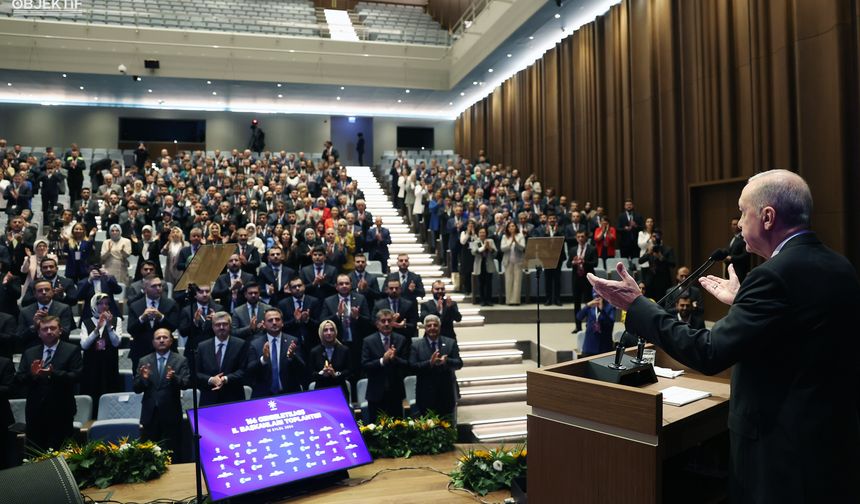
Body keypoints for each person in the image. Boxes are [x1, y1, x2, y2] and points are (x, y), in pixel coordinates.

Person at [588, 169, 860, 502]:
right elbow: (796, 335)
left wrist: (638, 306)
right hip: (831, 444)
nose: (739, 223)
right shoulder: (839, 265)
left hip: (782, 457)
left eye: (743, 212)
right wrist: (744, 301)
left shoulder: (772, 277)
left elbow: (709, 352)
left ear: (768, 217)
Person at [15, 315, 82, 451]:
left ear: (60, 330)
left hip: (62, 410)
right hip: (35, 412)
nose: (49, 331)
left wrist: (53, 373)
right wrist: (32, 375)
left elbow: (77, 376)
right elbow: (19, 380)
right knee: (36, 454)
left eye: (53, 328)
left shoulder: (72, 350)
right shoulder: (29, 353)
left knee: (62, 454)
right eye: (45, 329)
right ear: (39, 333)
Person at [133, 328, 190, 456]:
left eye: (165, 337)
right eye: (158, 338)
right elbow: (136, 388)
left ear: (171, 341)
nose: (162, 340)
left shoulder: (181, 360)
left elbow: (186, 384)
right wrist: (144, 379)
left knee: (173, 453)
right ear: (153, 342)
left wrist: (174, 378)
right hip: (150, 415)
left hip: (172, 414)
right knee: (149, 454)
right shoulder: (144, 361)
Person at [409, 314, 462, 418]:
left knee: (446, 428)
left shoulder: (450, 342)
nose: (432, 327)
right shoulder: (416, 345)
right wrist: (429, 363)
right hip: (425, 394)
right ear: (425, 328)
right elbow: (412, 367)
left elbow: (459, 363)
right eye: (429, 325)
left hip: (446, 393)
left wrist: (447, 361)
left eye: (435, 325)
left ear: (439, 327)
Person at [246, 308, 306, 398]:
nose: (274, 322)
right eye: (270, 320)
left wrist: (292, 356)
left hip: (289, 394)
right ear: (264, 324)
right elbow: (249, 372)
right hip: (264, 395)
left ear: (282, 323)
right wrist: (263, 360)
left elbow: (302, 369)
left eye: (277, 319)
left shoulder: (292, 341)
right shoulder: (255, 344)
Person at [361, 309, 408, 421]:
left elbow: (407, 364)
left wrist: (394, 358)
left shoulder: (401, 340)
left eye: (389, 320)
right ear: (377, 324)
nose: (386, 324)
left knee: (397, 428)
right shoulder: (368, 341)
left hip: (395, 392)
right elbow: (365, 365)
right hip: (375, 393)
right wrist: (383, 360)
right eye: (383, 321)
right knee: (376, 429)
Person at [127, 275, 180, 373]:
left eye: (160, 285)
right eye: (154, 286)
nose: (158, 288)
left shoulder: (171, 304)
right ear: (145, 288)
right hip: (141, 351)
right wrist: (142, 318)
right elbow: (131, 330)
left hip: (166, 351)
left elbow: (173, 327)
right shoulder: (134, 305)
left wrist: (161, 317)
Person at [80, 293, 121, 417]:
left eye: (107, 303)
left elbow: (116, 342)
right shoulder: (86, 322)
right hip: (92, 363)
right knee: (92, 390)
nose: (104, 306)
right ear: (94, 305)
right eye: (101, 303)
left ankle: (110, 417)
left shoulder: (116, 320)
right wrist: (96, 330)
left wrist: (108, 326)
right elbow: (84, 345)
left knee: (110, 389)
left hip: (109, 362)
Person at [194, 312, 248, 406]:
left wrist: (225, 379)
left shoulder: (241, 344)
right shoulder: (202, 346)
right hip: (209, 398)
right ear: (212, 327)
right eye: (218, 325)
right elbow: (196, 373)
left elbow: (244, 370)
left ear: (230, 326)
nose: (221, 327)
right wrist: (211, 379)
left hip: (233, 398)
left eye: (225, 324)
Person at [308, 319, 351, 400]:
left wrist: (336, 374)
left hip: (340, 391)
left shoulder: (344, 350)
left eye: (331, 330)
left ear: (335, 332)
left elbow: (349, 371)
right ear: (321, 333)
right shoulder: (315, 351)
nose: (329, 333)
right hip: (321, 392)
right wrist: (322, 373)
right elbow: (310, 373)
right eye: (325, 330)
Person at [178, 282, 221, 358]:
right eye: (201, 292)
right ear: (195, 294)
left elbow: (226, 330)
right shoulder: (187, 310)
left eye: (207, 291)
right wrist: (195, 322)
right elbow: (182, 332)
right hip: (193, 349)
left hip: (213, 349)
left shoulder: (219, 309)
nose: (205, 294)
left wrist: (216, 321)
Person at [568, 230, 598, 333]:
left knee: (589, 302)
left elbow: (595, 263)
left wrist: (584, 262)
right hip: (576, 279)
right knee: (576, 303)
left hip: (588, 279)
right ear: (576, 238)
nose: (580, 238)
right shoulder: (572, 250)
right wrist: (573, 262)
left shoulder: (592, 249)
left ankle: (589, 324)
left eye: (582, 236)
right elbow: (568, 264)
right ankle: (578, 326)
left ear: (586, 238)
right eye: (578, 237)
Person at [575, 290, 616, 357]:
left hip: (604, 347)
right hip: (589, 346)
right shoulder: (590, 307)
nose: (597, 298)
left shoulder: (610, 307)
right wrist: (587, 306)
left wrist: (602, 310)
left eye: (599, 296)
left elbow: (610, 324)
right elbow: (579, 317)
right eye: (595, 296)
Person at [500, 221, 526, 305]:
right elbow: (502, 248)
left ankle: (516, 300)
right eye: (510, 226)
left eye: (513, 226)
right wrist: (511, 242)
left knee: (517, 281)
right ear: (507, 228)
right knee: (508, 281)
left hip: (518, 261)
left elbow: (522, 248)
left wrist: (516, 241)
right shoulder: (504, 236)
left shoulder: (520, 236)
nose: (512, 228)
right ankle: (509, 300)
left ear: (516, 227)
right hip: (508, 261)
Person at [470, 227, 497, 306]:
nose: (482, 234)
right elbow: (473, 252)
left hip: (488, 264)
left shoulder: (490, 241)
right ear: (478, 234)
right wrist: (483, 248)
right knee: (481, 283)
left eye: (483, 232)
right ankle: (482, 300)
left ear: (486, 233)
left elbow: (495, 253)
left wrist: (490, 248)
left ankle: (489, 300)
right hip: (479, 264)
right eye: (481, 232)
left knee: (489, 284)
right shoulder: (476, 242)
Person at [723, 217, 750, 283]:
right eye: (732, 224)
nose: (733, 226)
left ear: (740, 225)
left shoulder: (744, 238)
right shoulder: (733, 238)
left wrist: (731, 258)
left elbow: (746, 255)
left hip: (739, 273)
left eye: (735, 224)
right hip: (730, 272)